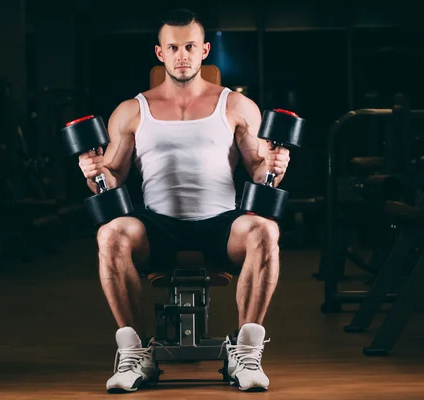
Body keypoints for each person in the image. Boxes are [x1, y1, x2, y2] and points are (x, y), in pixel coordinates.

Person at [78, 8, 290, 393]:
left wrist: (276, 164)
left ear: (204, 49)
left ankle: (246, 353)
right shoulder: (131, 111)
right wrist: (93, 171)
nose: (182, 55)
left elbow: (261, 174)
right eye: (173, 47)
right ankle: (136, 355)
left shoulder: (236, 106)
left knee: (265, 230)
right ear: (160, 53)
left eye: (190, 46)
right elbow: (111, 181)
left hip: (222, 225)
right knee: (110, 234)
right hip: (157, 226)